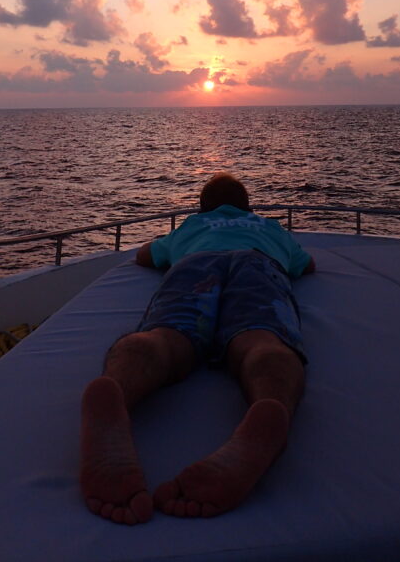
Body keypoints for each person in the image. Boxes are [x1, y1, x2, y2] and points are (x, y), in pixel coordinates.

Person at [79, 172, 315, 525]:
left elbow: (145, 257)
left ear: (203, 208)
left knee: (164, 336)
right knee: (262, 341)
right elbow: (306, 264)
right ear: (248, 207)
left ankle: (119, 391)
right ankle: (271, 405)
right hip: (257, 263)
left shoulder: (192, 226)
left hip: (195, 263)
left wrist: (170, 245)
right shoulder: (269, 227)